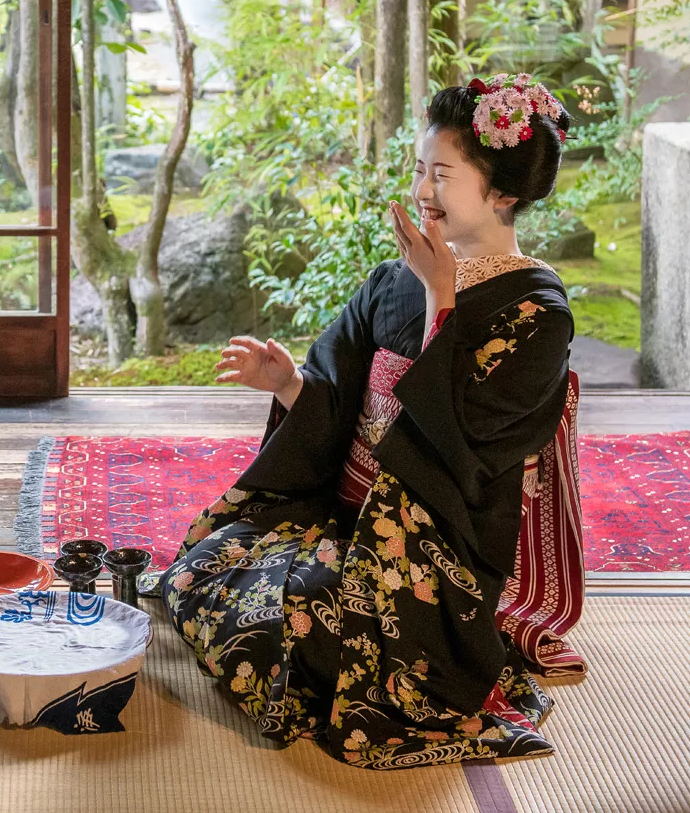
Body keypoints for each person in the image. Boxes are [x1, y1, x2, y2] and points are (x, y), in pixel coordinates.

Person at [167, 76, 575, 769]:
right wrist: (289, 381)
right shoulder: (394, 279)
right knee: (203, 567)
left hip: (427, 550)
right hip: (340, 512)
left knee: (295, 617)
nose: (422, 189)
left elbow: (467, 452)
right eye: (419, 168)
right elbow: (337, 397)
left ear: (502, 192)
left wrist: (442, 296)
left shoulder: (536, 315)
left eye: (442, 174)